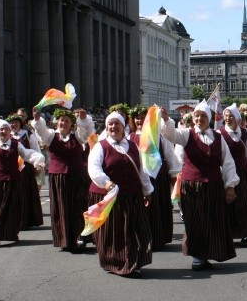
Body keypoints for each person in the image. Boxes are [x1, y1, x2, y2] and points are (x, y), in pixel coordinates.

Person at [161, 101, 239, 270]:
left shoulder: (218, 137)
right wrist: (167, 120)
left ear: (208, 119)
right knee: (194, 221)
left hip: (213, 185)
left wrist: (231, 186)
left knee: (212, 221)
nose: (199, 119)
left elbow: (228, 163)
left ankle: (208, 253)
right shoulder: (187, 134)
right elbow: (171, 135)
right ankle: (197, 256)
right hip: (191, 186)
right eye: (197, 116)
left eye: (203, 116)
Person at [88, 112, 154, 277]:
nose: (113, 127)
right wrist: (106, 182)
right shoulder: (100, 146)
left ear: (123, 126)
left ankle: (133, 261)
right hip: (111, 197)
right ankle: (114, 261)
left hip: (132, 195)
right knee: (114, 232)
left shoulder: (132, 146)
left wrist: (147, 190)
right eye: (110, 124)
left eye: (117, 124)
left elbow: (141, 170)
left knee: (134, 230)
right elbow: (93, 168)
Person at [0, 119, 46, 248]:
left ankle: (11, 233)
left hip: (13, 182)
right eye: (1, 129)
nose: (3, 131)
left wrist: (38, 162)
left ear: (10, 131)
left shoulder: (16, 145)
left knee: (12, 210)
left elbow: (28, 154)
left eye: (6, 129)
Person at [31, 107, 95, 252]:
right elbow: (41, 131)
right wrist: (36, 119)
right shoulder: (51, 136)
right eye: (61, 121)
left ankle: (79, 237)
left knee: (78, 207)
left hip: (77, 176)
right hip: (58, 178)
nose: (64, 123)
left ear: (71, 124)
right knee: (61, 208)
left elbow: (86, 132)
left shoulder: (77, 136)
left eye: (67, 121)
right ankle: (64, 238)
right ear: (57, 122)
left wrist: (84, 119)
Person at [128, 104, 181, 251]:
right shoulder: (130, 138)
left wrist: (173, 175)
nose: (140, 121)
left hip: (157, 178)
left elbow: (170, 156)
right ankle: (142, 238)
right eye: (137, 118)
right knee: (142, 210)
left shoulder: (159, 137)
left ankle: (157, 238)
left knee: (157, 208)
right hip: (138, 179)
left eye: (143, 118)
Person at [220, 104, 247, 247]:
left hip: (243, 173)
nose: (227, 118)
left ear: (237, 118)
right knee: (227, 204)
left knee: (244, 203)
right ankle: (227, 235)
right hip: (225, 173)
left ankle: (245, 234)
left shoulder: (245, 133)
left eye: (230, 115)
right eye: (225, 115)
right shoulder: (220, 134)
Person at [7, 113, 44, 229]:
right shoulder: (7, 135)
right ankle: (15, 219)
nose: (14, 125)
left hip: (26, 168)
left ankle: (26, 220)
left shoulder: (27, 134)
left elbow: (35, 149)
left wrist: (38, 166)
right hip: (12, 168)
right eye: (12, 123)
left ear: (20, 124)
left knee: (26, 192)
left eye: (16, 123)